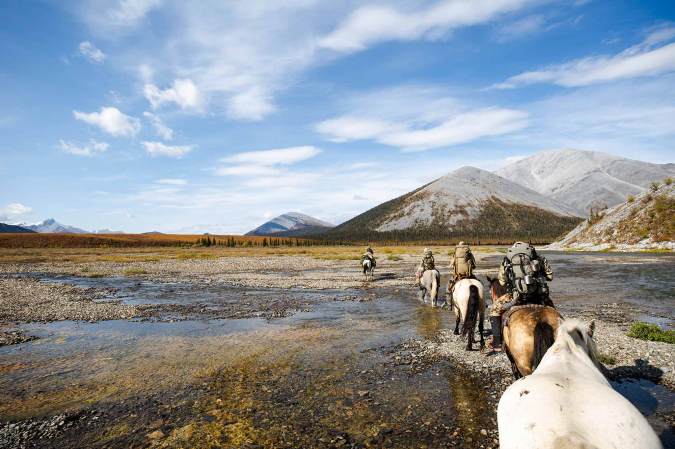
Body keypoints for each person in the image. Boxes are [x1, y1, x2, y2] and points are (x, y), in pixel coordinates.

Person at [487, 242, 554, 352]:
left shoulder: (507, 260)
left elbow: (502, 282)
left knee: (494, 309)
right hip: (539, 295)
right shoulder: (540, 258)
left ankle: (497, 343)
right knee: (553, 311)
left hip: (515, 297)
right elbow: (550, 276)